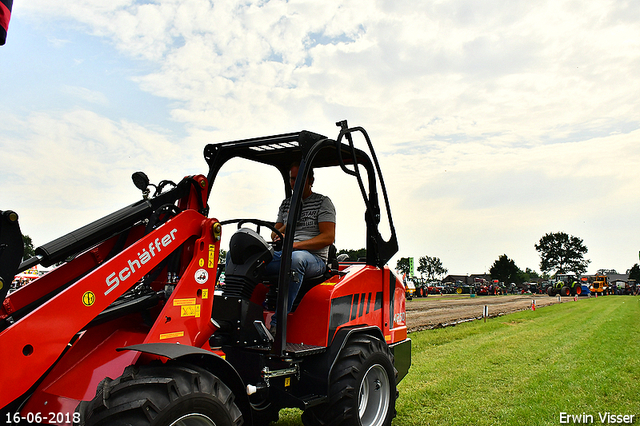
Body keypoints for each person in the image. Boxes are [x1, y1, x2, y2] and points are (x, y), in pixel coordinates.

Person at [265, 162, 336, 336]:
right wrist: (288, 224)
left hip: (314, 259)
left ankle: (277, 325)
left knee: (295, 259)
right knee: (248, 257)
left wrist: (295, 246)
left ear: (311, 180)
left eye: (299, 179)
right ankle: (242, 318)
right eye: (292, 179)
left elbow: (328, 237)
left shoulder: (322, 202)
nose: (294, 183)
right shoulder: (286, 204)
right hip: (286, 253)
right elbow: (275, 235)